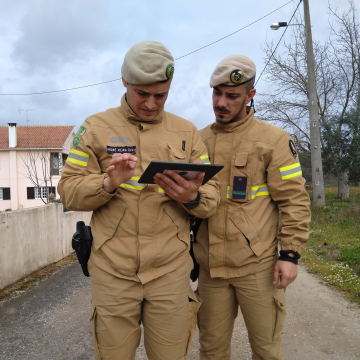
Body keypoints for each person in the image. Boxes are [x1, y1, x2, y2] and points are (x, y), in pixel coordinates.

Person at [58, 40, 220, 360]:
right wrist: (106, 183)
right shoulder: (94, 128)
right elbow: (68, 189)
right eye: (142, 94)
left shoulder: (186, 132)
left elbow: (212, 198)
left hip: (170, 273)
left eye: (161, 95)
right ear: (125, 82)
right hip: (114, 272)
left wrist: (193, 197)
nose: (150, 103)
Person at [193, 55, 311, 360]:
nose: (221, 103)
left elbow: (295, 201)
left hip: (257, 268)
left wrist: (290, 255)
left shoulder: (273, 141)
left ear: (250, 96)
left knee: (267, 350)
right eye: (216, 93)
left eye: (232, 96)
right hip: (210, 271)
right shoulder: (197, 142)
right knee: (211, 351)